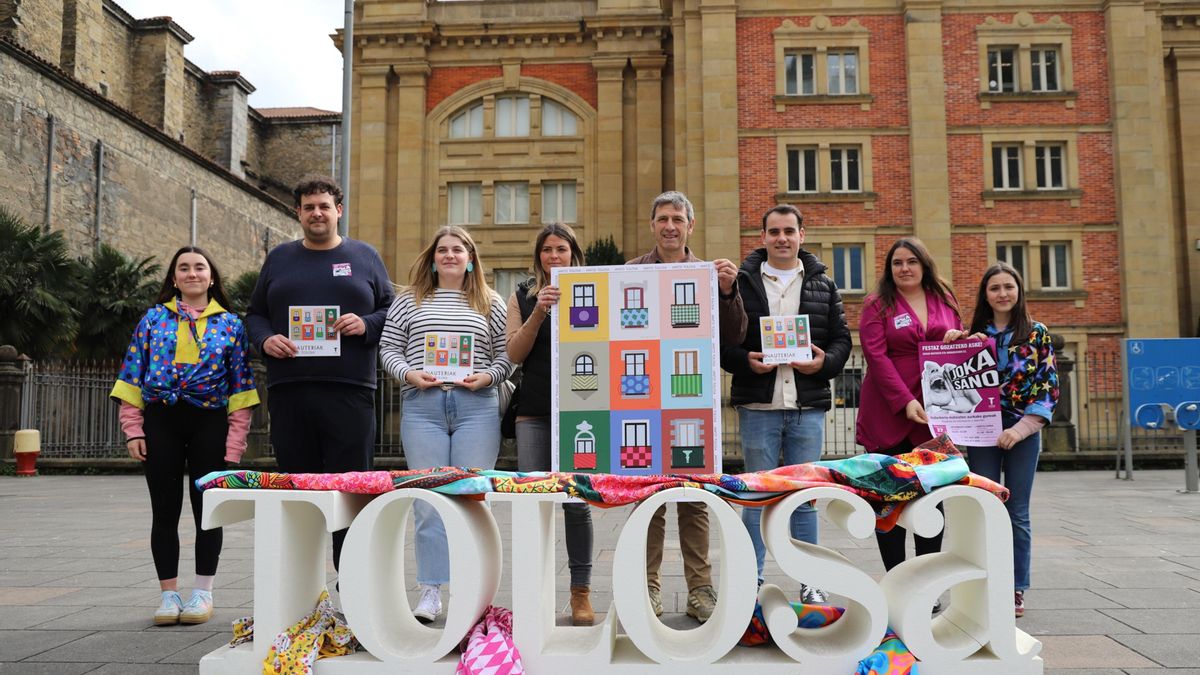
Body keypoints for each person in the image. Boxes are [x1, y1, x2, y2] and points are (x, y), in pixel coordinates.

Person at [245, 176, 394, 572]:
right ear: (298, 212)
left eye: (324, 206)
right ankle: (302, 588)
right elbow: (255, 315)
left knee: (350, 491)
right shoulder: (279, 258)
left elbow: (392, 311)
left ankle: (355, 588)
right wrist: (265, 340)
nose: (317, 213)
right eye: (308, 207)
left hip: (350, 391)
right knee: (297, 492)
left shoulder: (365, 257)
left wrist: (366, 325)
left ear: (338, 211)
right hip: (290, 392)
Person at [110, 246, 260, 626]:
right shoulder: (152, 320)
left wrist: (234, 444)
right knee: (164, 511)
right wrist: (133, 429)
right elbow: (132, 376)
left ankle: (202, 592)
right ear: (173, 278)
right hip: (161, 421)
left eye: (199, 267)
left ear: (212, 278)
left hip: (210, 421)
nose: (192, 273)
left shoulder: (231, 325)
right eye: (183, 268)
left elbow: (241, 389)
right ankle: (168, 594)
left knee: (207, 511)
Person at [380, 225, 514, 624]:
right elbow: (388, 347)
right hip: (423, 407)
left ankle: (472, 588)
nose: (450, 255)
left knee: (471, 499)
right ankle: (431, 591)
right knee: (428, 501)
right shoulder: (409, 300)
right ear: (433, 257)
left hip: (477, 407)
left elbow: (508, 356)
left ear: (471, 258)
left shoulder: (490, 301)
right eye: (443, 250)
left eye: (458, 249)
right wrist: (409, 375)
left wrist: (488, 377)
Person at [628, 190, 747, 623]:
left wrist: (729, 291)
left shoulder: (710, 274)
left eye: (678, 218)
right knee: (649, 499)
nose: (670, 226)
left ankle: (700, 591)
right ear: (653, 224)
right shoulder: (631, 273)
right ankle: (647, 589)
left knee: (694, 499)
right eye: (663, 218)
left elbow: (734, 338)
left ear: (690, 226)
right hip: (639, 399)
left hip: (691, 400)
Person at [721, 205, 851, 600]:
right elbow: (722, 342)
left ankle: (811, 582)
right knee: (757, 497)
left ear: (801, 235)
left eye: (789, 231)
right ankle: (751, 580)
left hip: (806, 406)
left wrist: (822, 363)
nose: (781, 238)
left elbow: (842, 340)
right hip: (758, 407)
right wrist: (745, 361)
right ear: (762, 237)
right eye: (774, 231)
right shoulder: (741, 282)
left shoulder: (822, 284)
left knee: (804, 498)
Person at [948, 262, 1058, 618]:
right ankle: (986, 581)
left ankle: (1015, 588)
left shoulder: (1037, 333)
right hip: (981, 431)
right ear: (985, 295)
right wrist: (950, 343)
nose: (1002, 294)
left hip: (1022, 432)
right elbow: (953, 383)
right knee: (985, 508)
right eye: (994, 288)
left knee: (1017, 511)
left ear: (1019, 290)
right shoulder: (975, 335)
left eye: (1008, 286)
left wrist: (1021, 429)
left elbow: (1048, 387)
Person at [856, 237, 962, 585]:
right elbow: (876, 356)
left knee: (932, 500)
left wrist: (956, 340)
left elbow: (959, 344)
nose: (904, 268)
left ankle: (926, 584)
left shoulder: (944, 297)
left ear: (924, 264)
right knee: (889, 503)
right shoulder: (877, 304)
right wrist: (905, 401)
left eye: (911, 261)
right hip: (887, 411)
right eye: (897, 263)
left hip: (935, 412)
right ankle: (898, 582)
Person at [505, 222, 595, 625]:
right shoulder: (522, 296)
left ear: (574, 253)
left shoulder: (594, 288)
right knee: (534, 504)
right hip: (535, 413)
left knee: (577, 504)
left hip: (582, 413)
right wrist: (539, 311)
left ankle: (580, 593)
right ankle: (533, 589)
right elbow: (515, 353)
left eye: (561, 249)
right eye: (547, 250)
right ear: (538, 256)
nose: (554, 256)